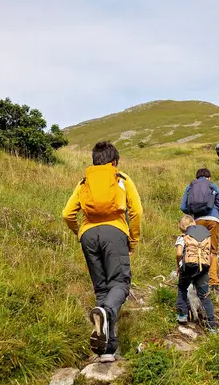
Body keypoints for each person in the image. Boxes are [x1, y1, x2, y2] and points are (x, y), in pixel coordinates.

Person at [62, 141, 143, 363]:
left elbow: (67, 213)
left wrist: (80, 232)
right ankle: (107, 316)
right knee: (120, 283)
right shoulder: (122, 179)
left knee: (102, 289)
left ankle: (107, 351)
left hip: (88, 235)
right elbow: (136, 211)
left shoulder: (84, 182)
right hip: (114, 232)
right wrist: (133, 240)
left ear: (94, 160)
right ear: (114, 162)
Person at [180, 168, 219, 291]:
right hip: (213, 220)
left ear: (197, 177)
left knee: (198, 248)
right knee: (212, 251)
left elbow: (183, 207)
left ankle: (197, 279)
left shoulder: (190, 187)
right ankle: (213, 281)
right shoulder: (213, 186)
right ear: (209, 177)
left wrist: (194, 211)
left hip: (197, 221)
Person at [175, 215, 218, 331]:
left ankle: (183, 315)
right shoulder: (205, 236)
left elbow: (179, 253)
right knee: (205, 296)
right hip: (203, 267)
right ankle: (212, 326)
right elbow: (210, 253)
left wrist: (179, 265)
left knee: (182, 287)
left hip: (188, 266)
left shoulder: (183, 237)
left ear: (182, 227)